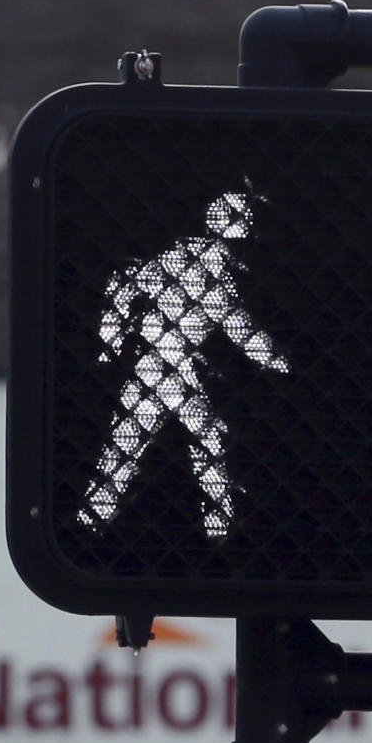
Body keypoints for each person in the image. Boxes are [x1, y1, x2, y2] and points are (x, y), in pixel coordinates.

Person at [78, 187, 289, 537]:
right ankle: (218, 527)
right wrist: (279, 363)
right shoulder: (201, 266)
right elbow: (238, 328)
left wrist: (110, 342)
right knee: (180, 444)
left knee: (141, 446)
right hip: (159, 368)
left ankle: (97, 517)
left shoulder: (195, 260)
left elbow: (128, 286)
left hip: (172, 368)